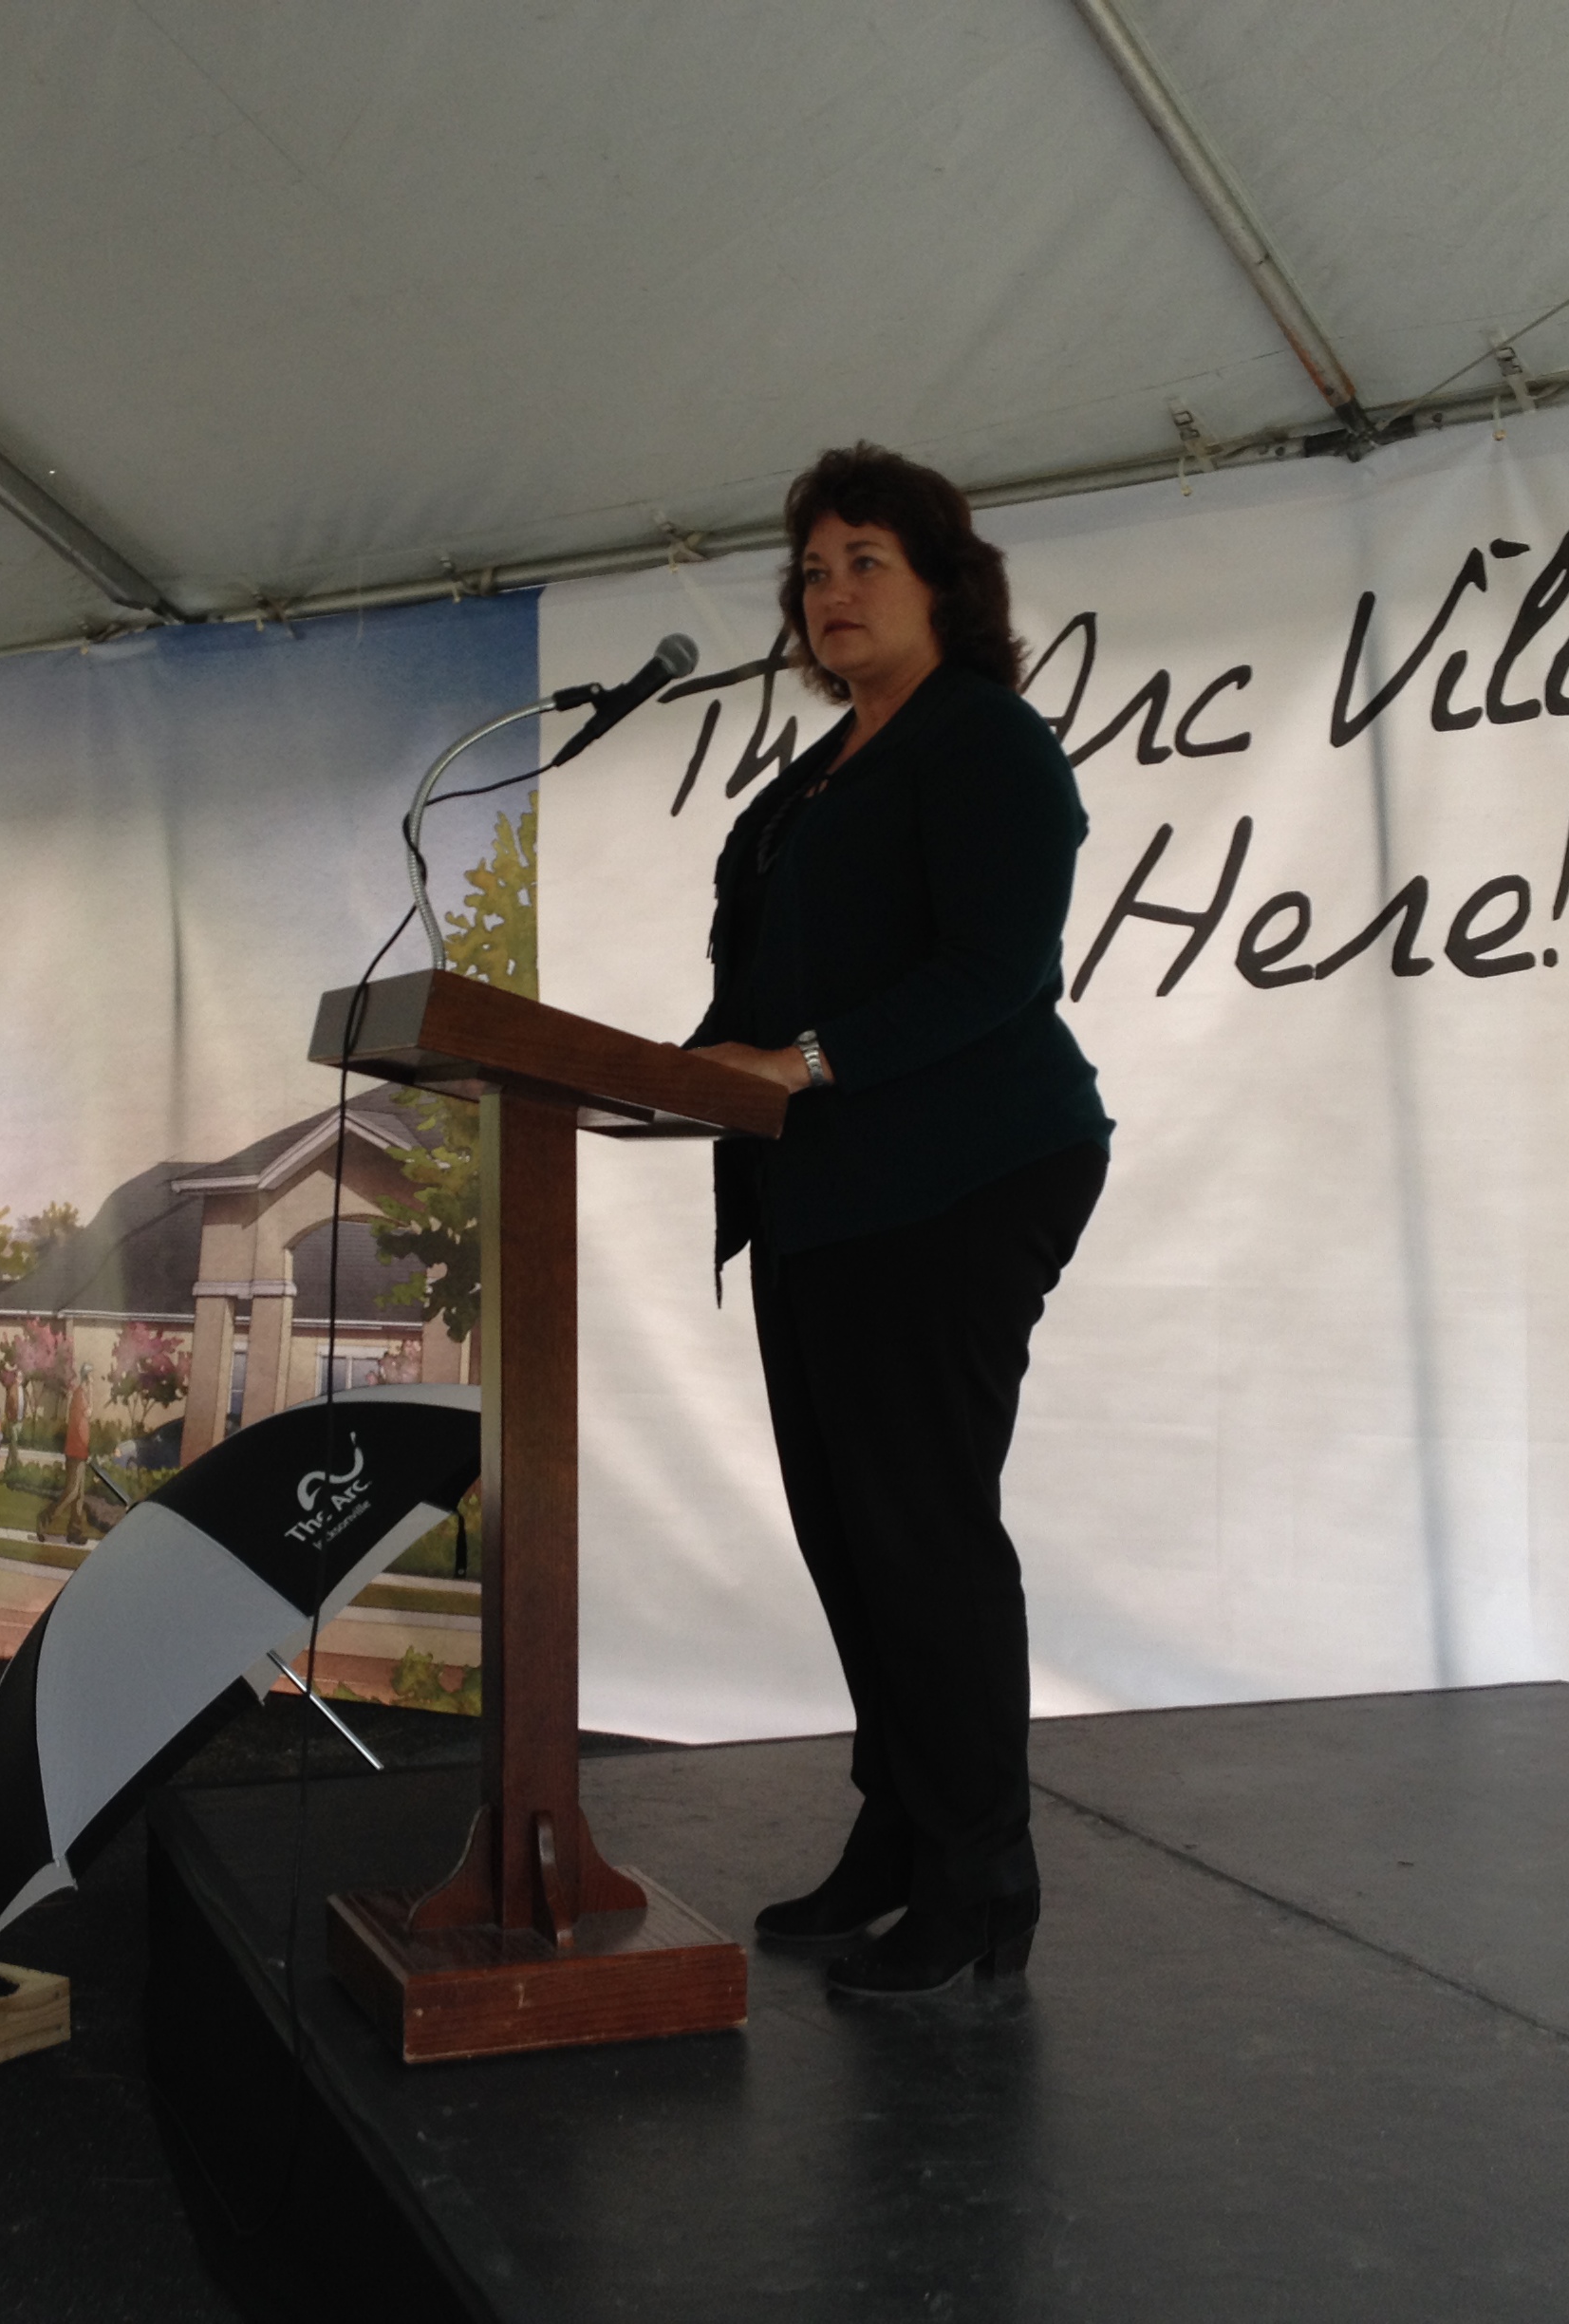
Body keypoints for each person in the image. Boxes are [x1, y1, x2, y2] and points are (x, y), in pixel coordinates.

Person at [687, 442, 1112, 1998]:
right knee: (847, 1531)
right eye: (812, 570)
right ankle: (898, 1832)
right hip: (817, 1192)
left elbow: (1001, 967)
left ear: (943, 583)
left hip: (965, 1171)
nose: (832, 591)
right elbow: (760, 1000)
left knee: (920, 1527)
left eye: (865, 559)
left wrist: (801, 1062)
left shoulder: (983, 744)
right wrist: (654, 1073)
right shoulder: (807, 784)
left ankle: (981, 1882)